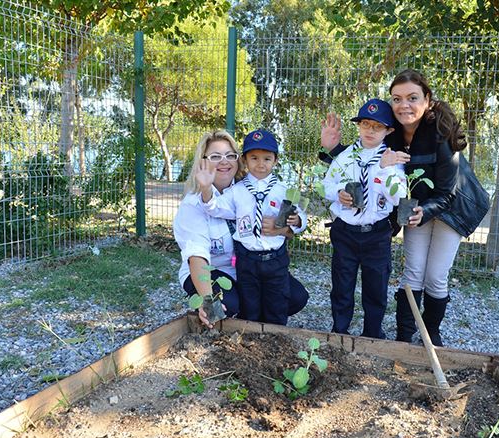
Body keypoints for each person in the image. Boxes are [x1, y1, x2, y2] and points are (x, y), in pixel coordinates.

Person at [321, 69, 472, 347]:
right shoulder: (391, 132)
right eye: (397, 98)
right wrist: (330, 151)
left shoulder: (440, 131)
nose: (404, 105)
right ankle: (404, 336)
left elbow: (445, 192)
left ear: (427, 99)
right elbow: (361, 156)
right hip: (411, 207)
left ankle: (431, 335)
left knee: (436, 276)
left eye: (413, 98)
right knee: (413, 271)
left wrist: (421, 210)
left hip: (451, 207)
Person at [173, 129, 308, 328]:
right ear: (203, 161)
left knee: (294, 296)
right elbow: (197, 258)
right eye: (215, 156)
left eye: (230, 155)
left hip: (247, 266)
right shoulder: (194, 204)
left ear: (238, 160)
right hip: (213, 269)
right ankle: (223, 315)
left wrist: (282, 229)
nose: (224, 161)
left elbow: (291, 222)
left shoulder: (251, 189)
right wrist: (208, 302)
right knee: (227, 305)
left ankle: (264, 325)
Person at [322, 99, 407, 339]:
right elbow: (326, 185)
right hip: (345, 231)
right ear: (358, 126)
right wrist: (338, 193)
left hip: (377, 233)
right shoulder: (346, 155)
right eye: (365, 124)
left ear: (388, 130)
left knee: (376, 285)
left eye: (377, 127)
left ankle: (372, 332)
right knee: (342, 283)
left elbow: (398, 197)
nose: (370, 131)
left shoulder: (392, 159)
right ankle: (340, 330)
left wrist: (384, 169)